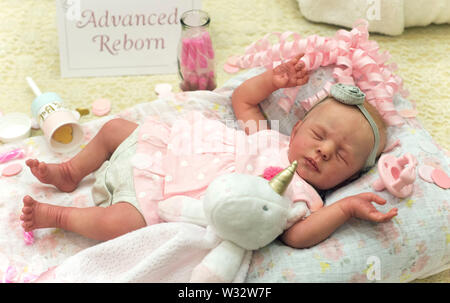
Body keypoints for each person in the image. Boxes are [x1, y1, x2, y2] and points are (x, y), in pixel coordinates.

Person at [20, 54, 397, 248]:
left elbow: (295, 237)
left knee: (120, 224)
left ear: (349, 178)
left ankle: (59, 216)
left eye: (342, 156)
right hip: (162, 149)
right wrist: (272, 79)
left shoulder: (302, 196)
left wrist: (344, 208)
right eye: (319, 134)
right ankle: (71, 172)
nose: (324, 150)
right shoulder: (271, 138)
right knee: (115, 128)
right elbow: (243, 101)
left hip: (159, 197)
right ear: (297, 128)